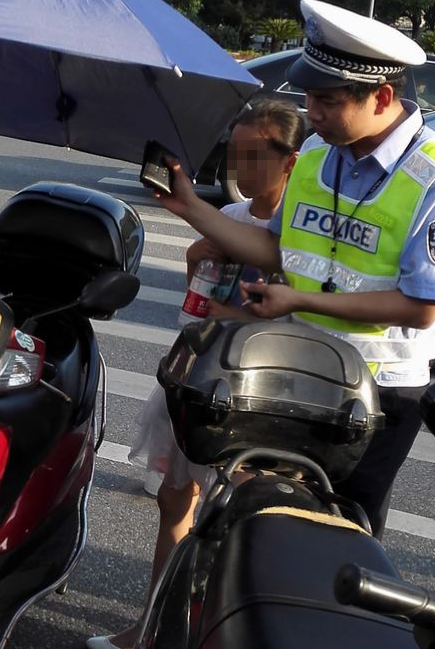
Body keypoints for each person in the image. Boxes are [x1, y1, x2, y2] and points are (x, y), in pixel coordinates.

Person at [156, 0, 435, 542]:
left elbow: (423, 308)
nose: (313, 112)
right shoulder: (315, 153)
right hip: (298, 368)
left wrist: (300, 302)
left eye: (327, 101)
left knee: (339, 539)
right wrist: (193, 209)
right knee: (262, 520)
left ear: (381, 97)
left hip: (378, 394)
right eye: (308, 96)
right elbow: (276, 250)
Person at [88, 100, 303, 649]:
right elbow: (195, 307)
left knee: (243, 519)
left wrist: (229, 310)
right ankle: (156, 628)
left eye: (254, 156)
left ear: (290, 162)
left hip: (258, 397)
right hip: (198, 377)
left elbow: (292, 318)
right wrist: (196, 260)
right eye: (235, 154)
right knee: (174, 503)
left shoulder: (295, 232)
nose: (241, 168)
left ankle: (215, 635)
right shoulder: (227, 218)